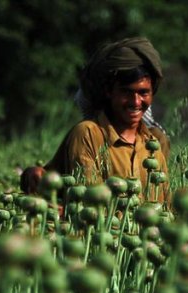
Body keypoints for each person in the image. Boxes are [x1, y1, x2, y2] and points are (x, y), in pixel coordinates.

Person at [21, 37, 169, 203]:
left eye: (143, 93)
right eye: (126, 92)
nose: (135, 102)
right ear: (108, 91)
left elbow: (164, 205)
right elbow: (90, 205)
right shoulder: (87, 135)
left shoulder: (154, 143)